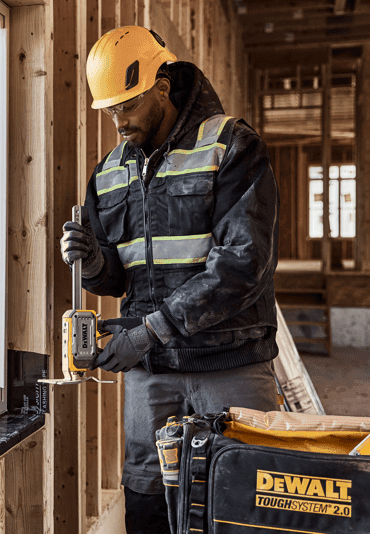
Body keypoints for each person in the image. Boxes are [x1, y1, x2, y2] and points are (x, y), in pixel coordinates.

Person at [59, 26, 281, 533]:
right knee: (149, 508)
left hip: (230, 362)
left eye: (130, 105)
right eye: (111, 110)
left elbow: (242, 265)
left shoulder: (230, 145)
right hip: (152, 373)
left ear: (162, 84)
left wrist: (146, 333)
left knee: (244, 506)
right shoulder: (110, 173)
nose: (120, 121)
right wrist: (93, 263)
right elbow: (120, 281)